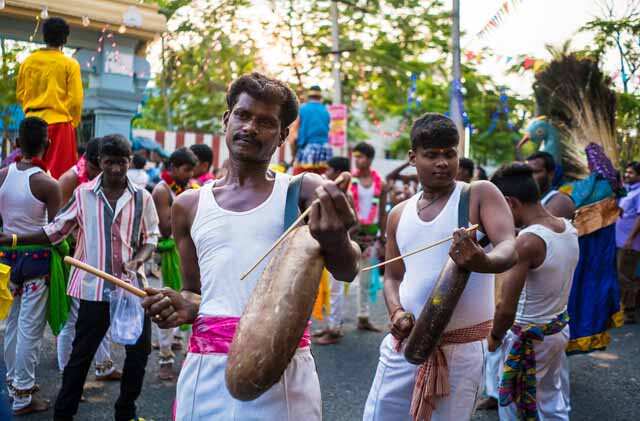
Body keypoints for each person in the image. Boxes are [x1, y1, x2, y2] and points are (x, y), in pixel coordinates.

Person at [141, 73, 360, 420]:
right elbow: (196, 292)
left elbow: (348, 269)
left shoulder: (301, 192)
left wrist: (335, 236)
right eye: (243, 115)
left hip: (280, 370)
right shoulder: (190, 206)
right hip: (206, 372)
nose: (251, 128)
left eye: (266, 122)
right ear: (227, 119)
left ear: (283, 135)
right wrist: (183, 305)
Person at [363, 113, 517, 421]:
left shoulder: (478, 194)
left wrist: (483, 261)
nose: (442, 162)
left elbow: (509, 247)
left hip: (460, 351)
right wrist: (395, 312)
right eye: (431, 155)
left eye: (449, 153)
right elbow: (393, 276)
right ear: (412, 158)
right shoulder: (399, 214)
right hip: (403, 345)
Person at [0, 134, 160, 421]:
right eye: (109, 163)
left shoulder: (142, 197)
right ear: (99, 162)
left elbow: (152, 238)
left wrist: (138, 259)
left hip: (132, 291)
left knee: (138, 356)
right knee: (79, 359)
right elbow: (55, 231)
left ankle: (126, 411)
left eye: (121, 163)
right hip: (93, 290)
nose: (115, 169)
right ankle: (64, 414)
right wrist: (13, 239)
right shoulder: (83, 194)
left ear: (129, 161)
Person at [489, 163, 579, 420]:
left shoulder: (527, 242)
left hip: (527, 337)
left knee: (513, 408)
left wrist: (494, 337)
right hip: (556, 329)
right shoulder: (566, 227)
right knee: (551, 400)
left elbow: (506, 307)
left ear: (510, 202)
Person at [0, 117, 62, 415]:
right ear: (47, 144)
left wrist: (9, 237)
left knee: (12, 325)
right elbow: (55, 233)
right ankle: (23, 395)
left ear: (15, 143)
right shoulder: (48, 184)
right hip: (37, 261)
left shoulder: (1, 175)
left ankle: (14, 383)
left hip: (6, 262)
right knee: (29, 329)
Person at [57, 136, 121, 382]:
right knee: (71, 320)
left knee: (102, 315)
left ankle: (103, 366)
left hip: (100, 264)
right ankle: (67, 375)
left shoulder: (99, 183)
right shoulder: (72, 180)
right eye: (105, 166)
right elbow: (58, 223)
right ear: (95, 164)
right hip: (75, 259)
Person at [16, 17, 83, 179]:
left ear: (44, 36)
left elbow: (20, 94)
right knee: (60, 178)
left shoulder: (28, 62)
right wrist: (71, 122)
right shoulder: (70, 64)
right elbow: (76, 100)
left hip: (30, 123)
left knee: (27, 172)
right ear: (65, 39)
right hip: (60, 124)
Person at [151, 147, 197, 380]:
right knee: (168, 301)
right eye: (186, 169)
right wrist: (184, 203)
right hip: (171, 253)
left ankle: (190, 353)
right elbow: (165, 228)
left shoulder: (186, 188)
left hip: (187, 251)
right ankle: (165, 359)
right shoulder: (162, 190)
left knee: (190, 299)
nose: (190, 174)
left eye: (192, 170)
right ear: (172, 168)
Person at [315, 156, 352, 346]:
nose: (326, 173)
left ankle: (335, 329)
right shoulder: (332, 191)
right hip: (328, 246)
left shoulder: (344, 194)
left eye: (329, 170)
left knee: (335, 290)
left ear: (337, 173)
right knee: (329, 289)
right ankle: (330, 324)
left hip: (339, 246)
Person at [351, 142, 387, 332]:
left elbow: (382, 213)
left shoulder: (380, 183)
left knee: (365, 278)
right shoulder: (349, 181)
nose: (357, 160)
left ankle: (363, 317)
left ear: (370, 159)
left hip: (371, 235)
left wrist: (383, 237)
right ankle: (334, 324)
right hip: (351, 234)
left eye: (361, 157)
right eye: (355, 156)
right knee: (341, 279)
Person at [616, 161, 640, 323]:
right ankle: (626, 309)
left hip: (629, 243)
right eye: (626, 172)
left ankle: (629, 313)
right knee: (622, 275)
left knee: (625, 277)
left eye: (630, 173)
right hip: (620, 241)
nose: (626, 175)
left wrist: (630, 239)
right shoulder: (628, 192)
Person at [290, 85, 332, 175]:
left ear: (308, 97)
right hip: (325, 154)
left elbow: (293, 137)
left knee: (300, 184)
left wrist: (293, 155)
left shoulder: (302, 109)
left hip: (306, 153)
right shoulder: (326, 111)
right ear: (320, 97)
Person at [527, 151, 575, 219]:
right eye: (527, 173)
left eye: (535, 172)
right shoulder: (528, 202)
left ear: (551, 174)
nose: (530, 177)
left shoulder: (561, 200)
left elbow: (541, 228)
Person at [58, 137, 103, 204]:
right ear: (85, 159)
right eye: (92, 168)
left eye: (100, 170)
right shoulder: (69, 179)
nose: (96, 174)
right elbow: (60, 212)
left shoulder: (110, 176)